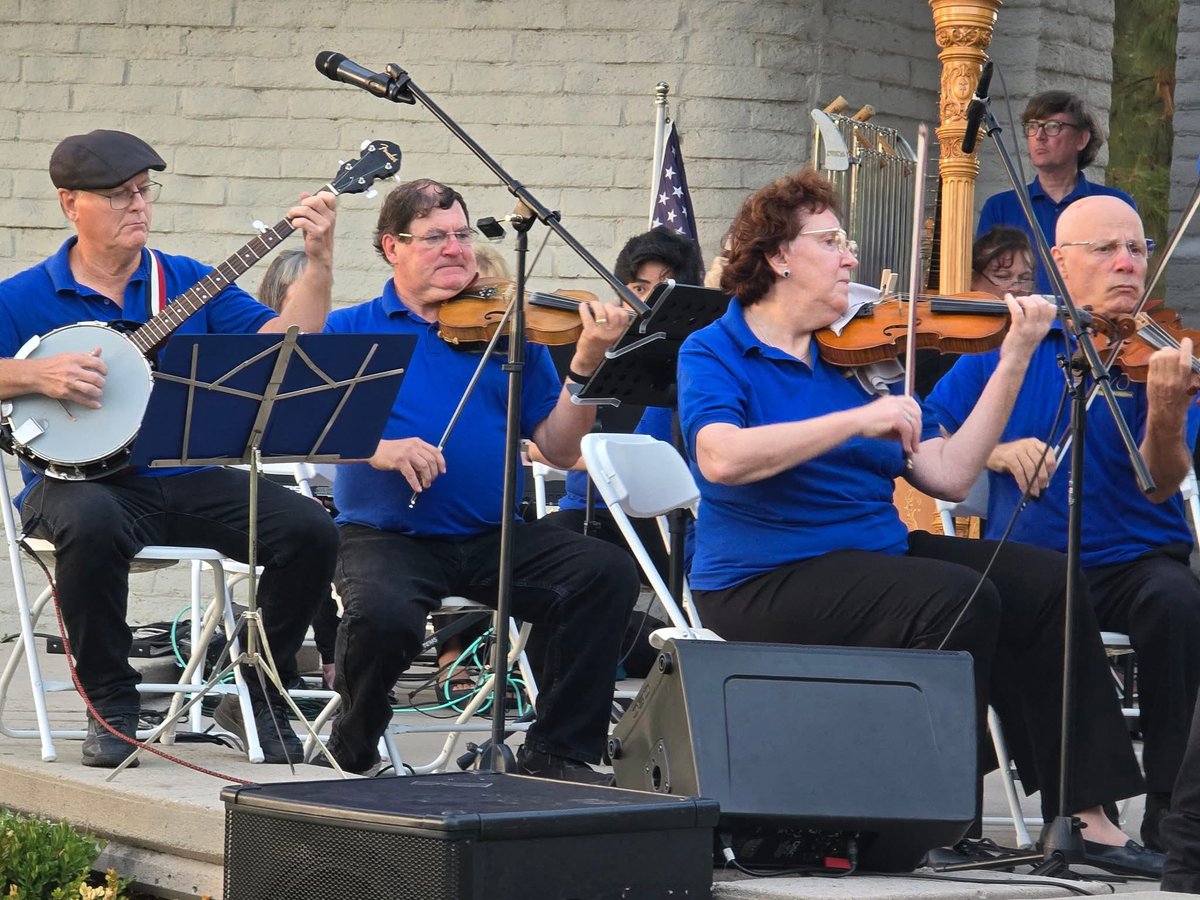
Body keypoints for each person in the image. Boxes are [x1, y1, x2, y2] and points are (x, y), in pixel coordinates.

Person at [677, 169, 1160, 876]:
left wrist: (1016, 357)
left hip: (872, 557)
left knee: (1041, 580)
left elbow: (948, 473)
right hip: (762, 576)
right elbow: (719, 459)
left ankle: (1085, 816)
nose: (850, 257)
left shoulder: (858, 358)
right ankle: (930, 822)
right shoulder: (715, 350)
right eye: (832, 241)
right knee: (954, 597)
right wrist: (854, 421)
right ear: (779, 256)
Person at [0, 129, 340, 767]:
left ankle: (256, 691)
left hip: (180, 477)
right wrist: (33, 375)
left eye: (143, 191)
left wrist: (317, 258)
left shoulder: (186, 282)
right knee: (92, 520)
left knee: (309, 528)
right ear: (71, 204)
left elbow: (286, 346)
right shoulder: (22, 297)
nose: (138, 206)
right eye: (119, 195)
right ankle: (111, 699)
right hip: (73, 485)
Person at [320, 178, 640, 781]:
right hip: (388, 537)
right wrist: (379, 448)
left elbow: (557, 445)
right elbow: (308, 429)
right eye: (435, 237)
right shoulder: (351, 328)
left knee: (603, 574)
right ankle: (357, 731)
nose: (455, 250)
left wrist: (588, 366)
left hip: (494, 534)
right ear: (392, 246)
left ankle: (558, 750)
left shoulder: (509, 332)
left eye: (462, 235)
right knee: (382, 617)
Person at [927, 194, 1200, 852]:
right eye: (1106, 249)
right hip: (1038, 562)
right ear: (1060, 262)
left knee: (1179, 603)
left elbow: (1164, 480)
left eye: (1136, 248)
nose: (1127, 262)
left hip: (1135, 562)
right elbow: (932, 431)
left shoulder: (1161, 358)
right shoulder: (1011, 347)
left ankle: (1170, 806)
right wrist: (995, 450)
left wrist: (1164, 408)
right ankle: (1075, 805)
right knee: (1003, 601)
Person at [538, 226, 705, 581]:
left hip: (659, 522)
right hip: (588, 513)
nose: (647, 304)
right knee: (538, 548)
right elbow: (539, 447)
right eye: (639, 290)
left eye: (663, 292)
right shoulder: (587, 352)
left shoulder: (691, 362)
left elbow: (657, 463)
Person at [977, 90, 1135, 294]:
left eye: (1053, 127)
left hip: (1090, 323)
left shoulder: (1114, 205)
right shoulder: (999, 207)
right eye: (1032, 127)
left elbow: (1126, 275)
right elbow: (985, 287)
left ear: (1081, 139)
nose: (1039, 136)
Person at [914, 227, 1037, 399]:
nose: (1016, 287)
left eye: (1024, 279)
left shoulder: (1038, 338)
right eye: (1002, 276)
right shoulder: (944, 346)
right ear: (973, 279)